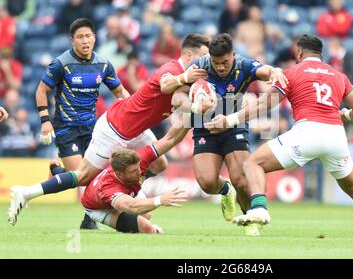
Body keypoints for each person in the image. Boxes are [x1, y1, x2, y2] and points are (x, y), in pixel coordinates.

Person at [8, 33, 210, 226]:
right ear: (189, 55)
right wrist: (185, 81)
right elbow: (166, 85)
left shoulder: (190, 78)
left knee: (160, 165)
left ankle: (116, 185)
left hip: (136, 129)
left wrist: (196, 107)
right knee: (82, 176)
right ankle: (26, 192)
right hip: (116, 127)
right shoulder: (173, 68)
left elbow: (177, 99)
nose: (205, 62)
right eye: (203, 56)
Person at [206, 34, 353, 238]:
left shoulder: (292, 73)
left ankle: (259, 208)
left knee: (253, 164)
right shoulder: (338, 75)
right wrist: (346, 114)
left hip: (307, 132)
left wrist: (230, 120)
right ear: (321, 54)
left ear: (299, 52)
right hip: (336, 136)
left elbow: (263, 104)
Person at [35, 18, 130, 229]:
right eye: (80, 37)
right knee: (82, 177)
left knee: (95, 175)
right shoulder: (61, 64)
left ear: (95, 38)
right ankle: (58, 172)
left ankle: (88, 218)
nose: (85, 41)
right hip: (66, 127)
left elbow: (120, 93)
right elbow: (41, 90)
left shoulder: (103, 65)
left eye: (88, 36)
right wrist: (45, 121)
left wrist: (133, 110)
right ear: (72, 41)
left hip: (92, 128)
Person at [190, 33, 288, 236]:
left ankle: (251, 218)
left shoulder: (243, 65)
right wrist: (194, 100)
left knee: (241, 178)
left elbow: (264, 70)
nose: (220, 67)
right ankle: (226, 190)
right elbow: (180, 90)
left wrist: (275, 71)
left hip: (233, 126)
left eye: (225, 62)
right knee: (207, 183)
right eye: (216, 63)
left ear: (233, 55)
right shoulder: (200, 65)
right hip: (204, 126)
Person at [81, 146, 188, 234]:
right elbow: (131, 206)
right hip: (98, 208)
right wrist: (160, 200)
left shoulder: (138, 160)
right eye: (134, 171)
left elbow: (169, 140)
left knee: (147, 214)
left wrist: (185, 123)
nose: (140, 172)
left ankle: (127, 225)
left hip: (125, 189)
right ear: (120, 174)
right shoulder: (109, 187)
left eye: (138, 167)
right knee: (147, 229)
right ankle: (121, 226)